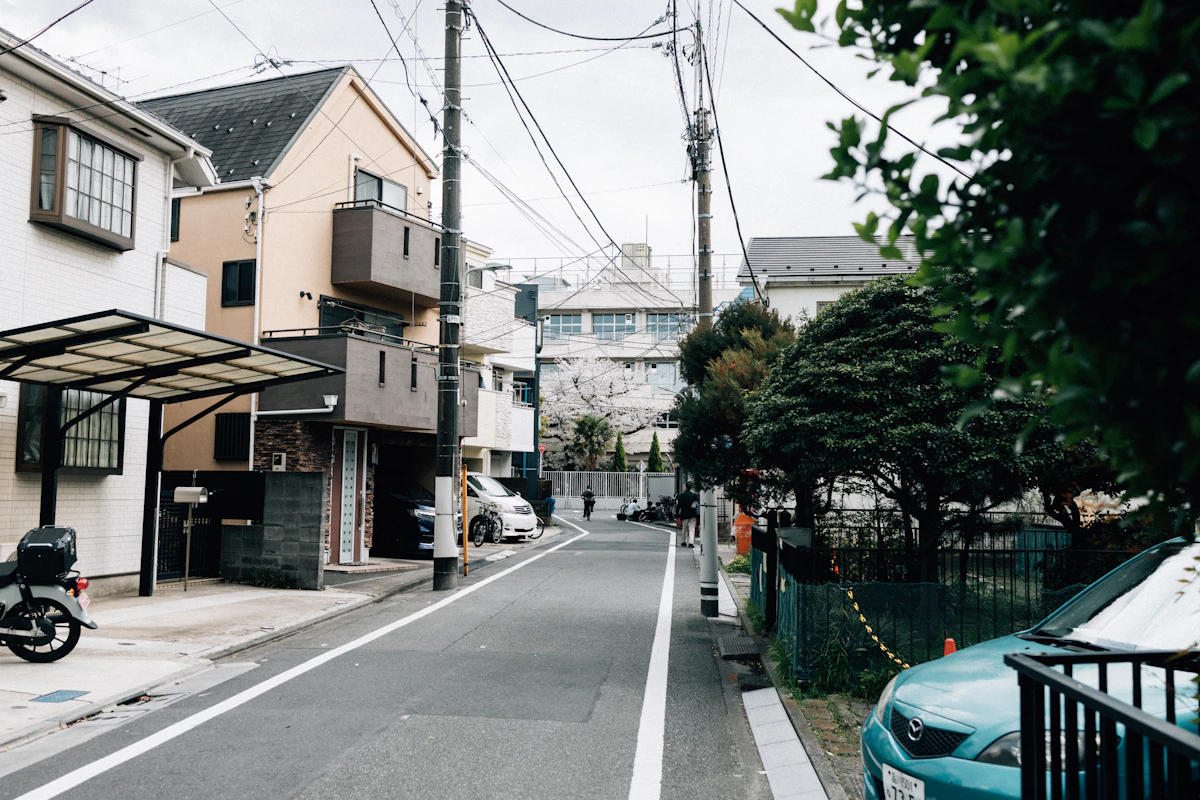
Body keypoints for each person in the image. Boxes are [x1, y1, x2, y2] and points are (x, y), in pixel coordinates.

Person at [676, 483, 699, 547]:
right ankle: (691, 542)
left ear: (685, 487)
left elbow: (679, 505)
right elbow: (698, 502)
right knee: (692, 528)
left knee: (684, 528)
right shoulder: (694, 495)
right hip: (692, 513)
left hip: (684, 513)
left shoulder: (681, 495)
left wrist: (677, 513)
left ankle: (684, 541)